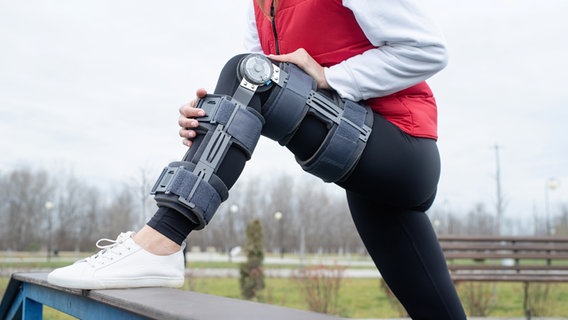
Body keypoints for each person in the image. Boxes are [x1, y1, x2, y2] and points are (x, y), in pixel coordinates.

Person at [48, 0, 467, 318]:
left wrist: (329, 77)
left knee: (249, 74)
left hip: (401, 147)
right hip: (362, 168)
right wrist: (211, 116)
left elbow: (427, 49)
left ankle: (161, 241)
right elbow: (260, 94)